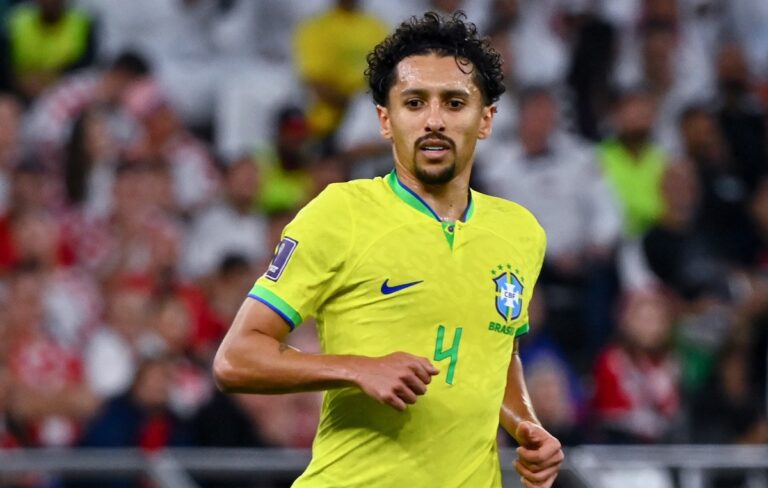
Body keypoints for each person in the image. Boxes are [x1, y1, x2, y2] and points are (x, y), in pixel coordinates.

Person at [214, 11, 563, 488]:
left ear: (485, 119)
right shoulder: (341, 213)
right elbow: (236, 359)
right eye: (414, 102)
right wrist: (357, 369)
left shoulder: (520, 232)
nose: (434, 120)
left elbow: (497, 351)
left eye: (454, 103)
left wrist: (525, 425)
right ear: (386, 119)